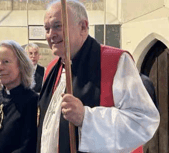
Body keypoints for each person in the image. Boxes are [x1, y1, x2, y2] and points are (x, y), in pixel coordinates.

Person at [37, 1, 160, 153]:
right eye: (47, 29)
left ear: (83, 27)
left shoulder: (115, 61)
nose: (51, 35)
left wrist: (86, 117)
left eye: (57, 26)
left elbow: (143, 120)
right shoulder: (51, 70)